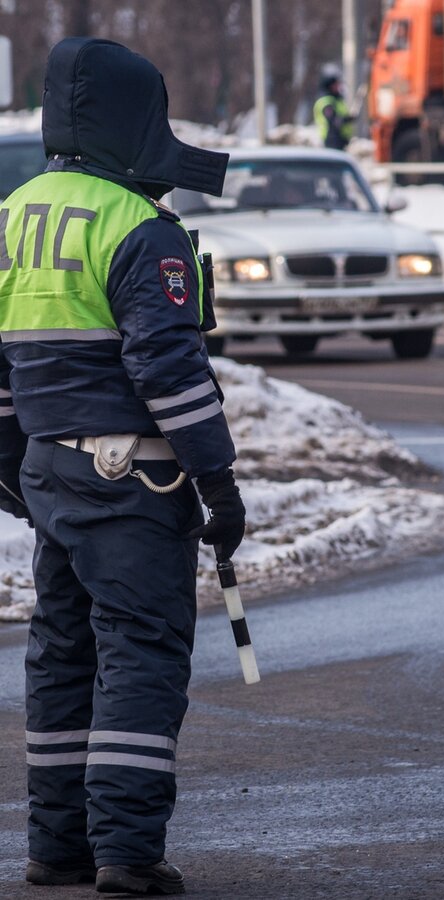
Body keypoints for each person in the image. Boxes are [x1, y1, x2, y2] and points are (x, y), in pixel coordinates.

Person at [0, 38, 244, 895]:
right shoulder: (142, 227)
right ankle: (128, 857)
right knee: (139, 654)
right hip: (133, 478)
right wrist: (217, 480)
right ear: (134, 119)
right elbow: (168, 372)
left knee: (62, 656)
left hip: (48, 468)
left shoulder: (14, 211)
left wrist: (13, 463)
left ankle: (57, 849)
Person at [313, 69, 354, 151]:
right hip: (332, 139)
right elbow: (334, 120)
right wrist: (347, 119)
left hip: (340, 139)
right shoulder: (326, 102)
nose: (339, 87)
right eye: (336, 85)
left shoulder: (337, 100)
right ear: (330, 86)